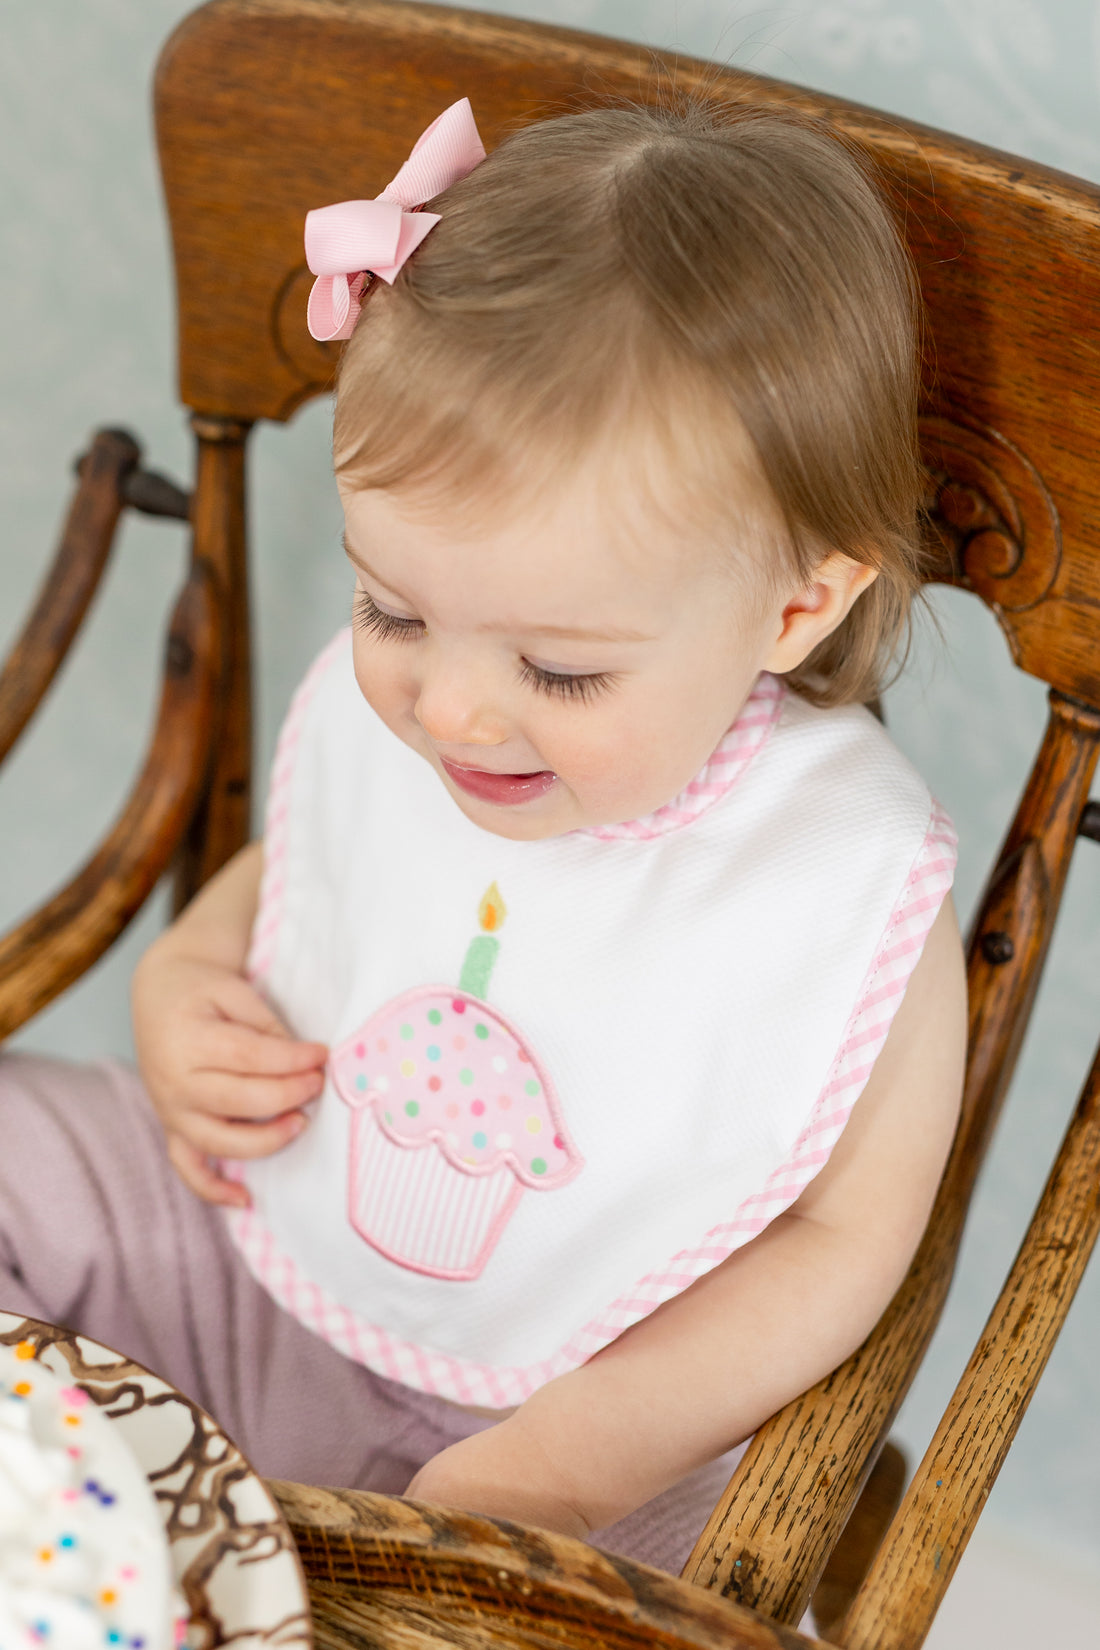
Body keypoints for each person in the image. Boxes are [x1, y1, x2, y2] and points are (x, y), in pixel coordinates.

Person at [0, 96, 967, 1574]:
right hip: (233, 1256)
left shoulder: (838, 878)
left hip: (580, 1410)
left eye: (560, 671)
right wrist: (182, 981)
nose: (447, 708)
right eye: (389, 609)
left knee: (676, 1585)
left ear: (796, 605)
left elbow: (847, 1244)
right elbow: (321, 876)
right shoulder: (436, 708)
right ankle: (90, 1529)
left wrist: (568, 1466)